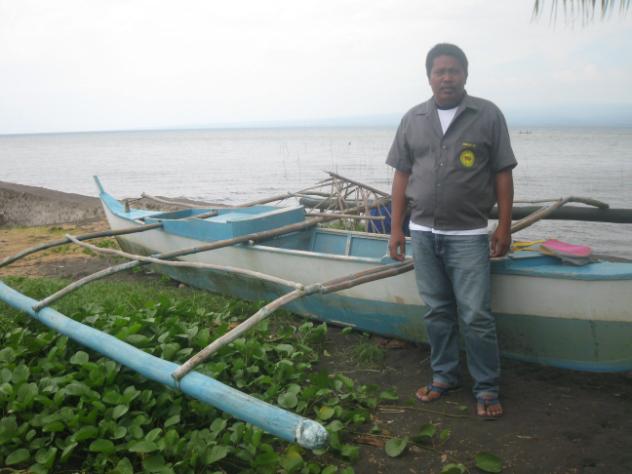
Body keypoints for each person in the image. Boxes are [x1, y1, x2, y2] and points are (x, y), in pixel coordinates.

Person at [386, 43, 516, 417]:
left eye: (453, 70)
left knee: (476, 315)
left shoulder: (488, 115)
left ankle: (486, 387)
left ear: (465, 74)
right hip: (423, 233)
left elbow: (503, 173)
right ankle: (444, 376)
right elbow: (401, 176)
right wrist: (396, 229)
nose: (447, 77)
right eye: (439, 71)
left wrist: (504, 226)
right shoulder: (413, 119)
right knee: (437, 311)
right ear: (429, 77)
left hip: (468, 236)